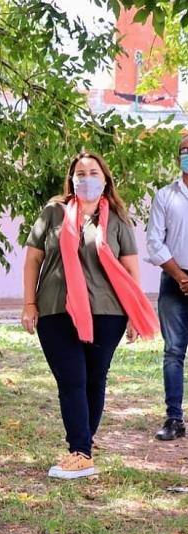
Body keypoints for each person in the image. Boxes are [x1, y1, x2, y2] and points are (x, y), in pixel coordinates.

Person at [22, 151, 158, 479]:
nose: (86, 178)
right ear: (71, 179)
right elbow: (32, 261)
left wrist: (135, 314)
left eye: (93, 171)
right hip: (56, 309)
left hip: (108, 313)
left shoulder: (119, 220)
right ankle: (80, 452)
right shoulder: (53, 213)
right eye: (79, 172)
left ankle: (83, 448)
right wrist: (29, 304)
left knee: (95, 380)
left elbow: (130, 270)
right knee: (71, 380)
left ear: (105, 178)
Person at [146, 135, 188, 441]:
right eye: (185, 151)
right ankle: (174, 419)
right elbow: (154, 242)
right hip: (174, 281)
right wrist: (180, 277)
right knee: (173, 352)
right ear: (178, 158)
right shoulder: (165, 196)